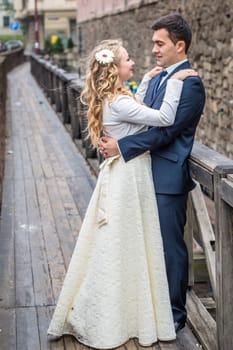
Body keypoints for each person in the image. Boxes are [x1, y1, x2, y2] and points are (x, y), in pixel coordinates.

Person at [47, 39, 197, 348]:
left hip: (124, 176)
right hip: (130, 178)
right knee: (127, 242)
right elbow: (164, 118)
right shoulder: (119, 101)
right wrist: (176, 82)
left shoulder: (114, 98)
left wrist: (145, 81)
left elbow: (134, 109)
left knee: (123, 243)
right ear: (115, 69)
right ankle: (127, 311)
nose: (134, 63)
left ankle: (127, 307)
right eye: (128, 60)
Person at [99, 14, 206, 334]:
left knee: (170, 247)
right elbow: (145, 119)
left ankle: (175, 313)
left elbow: (168, 132)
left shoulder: (191, 83)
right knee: (145, 245)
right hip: (142, 173)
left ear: (180, 45)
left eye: (160, 43)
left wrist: (123, 146)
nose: (154, 49)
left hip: (167, 178)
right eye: (153, 43)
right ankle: (150, 306)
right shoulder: (160, 77)